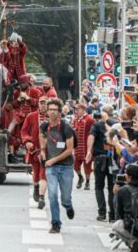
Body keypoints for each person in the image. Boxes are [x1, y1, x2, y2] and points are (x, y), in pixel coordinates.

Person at [39, 98, 76, 234]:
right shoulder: (44, 126)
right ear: (47, 112)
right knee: (52, 194)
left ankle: (68, 206)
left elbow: (69, 150)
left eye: (55, 110)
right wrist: (43, 155)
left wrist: (53, 160)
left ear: (59, 112)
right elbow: (42, 144)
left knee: (65, 198)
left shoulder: (66, 128)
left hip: (66, 167)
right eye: (50, 109)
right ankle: (56, 224)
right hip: (51, 168)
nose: (52, 112)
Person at [112, 163, 138, 252]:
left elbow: (119, 212)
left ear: (128, 176)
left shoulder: (122, 190)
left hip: (131, 225)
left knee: (116, 225)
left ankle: (132, 241)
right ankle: (137, 243)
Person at [86, 110, 115, 222]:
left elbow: (91, 136)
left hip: (99, 158)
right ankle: (112, 215)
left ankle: (102, 213)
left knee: (99, 187)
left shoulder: (96, 124)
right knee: (111, 187)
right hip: (112, 159)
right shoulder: (115, 124)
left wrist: (89, 151)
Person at [22, 97, 49, 209]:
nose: (43, 105)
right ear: (38, 104)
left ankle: (42, 197)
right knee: (36, 173)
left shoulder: (52, 117)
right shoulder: (31, 116)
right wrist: (27, 141)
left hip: (47, 151)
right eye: (41, 103)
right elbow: (24, 131)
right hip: (35, 149)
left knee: (44, 173)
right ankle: (36, 187)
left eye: (45, 103)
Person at [71, 102, 94, 191]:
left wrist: (91, 148)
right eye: (75, 109)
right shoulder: (75, 120)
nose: (76, 111)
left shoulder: (89, 120)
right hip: (77, 147)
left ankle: (87, 182)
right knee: (75, 166)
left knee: (87, 166)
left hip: (86, 147)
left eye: (78, 109)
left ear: (83, 110)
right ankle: (80, 177)